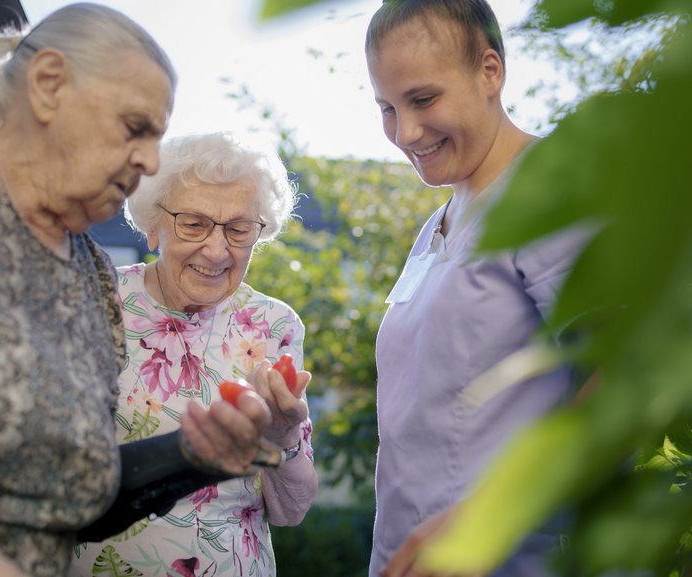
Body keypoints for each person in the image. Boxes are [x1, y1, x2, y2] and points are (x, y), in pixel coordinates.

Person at [0, 5, 274, 577]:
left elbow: (72, 500)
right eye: (135, 127)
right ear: (48, 85)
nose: (150, 161)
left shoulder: (90, 270)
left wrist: (191, 457)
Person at [364, 1, 586, 576]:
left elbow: (627, 377)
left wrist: (486, 518)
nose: (405, 132)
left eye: (423, 99)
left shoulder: (550, 195)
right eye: (387, 108)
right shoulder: (438, 222)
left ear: (491, 71)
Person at [67, 133, 318, 577]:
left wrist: (283, 436)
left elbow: (291, 511)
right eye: (194, 224)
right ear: (153, 226)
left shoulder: (275, 324)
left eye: (238, 229)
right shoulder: (94, 298)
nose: (217, 250)